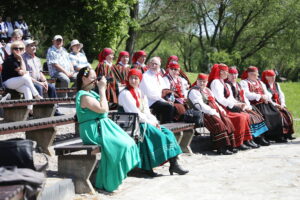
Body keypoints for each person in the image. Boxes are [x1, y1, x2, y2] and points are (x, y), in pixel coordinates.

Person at [75, 67, 140, 192]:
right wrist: (102, 89)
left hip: (102, 127)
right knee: (120, 146)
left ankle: (111, 178)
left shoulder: (91, 94)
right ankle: (108, 181)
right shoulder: (83, 96)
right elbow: (103, 109)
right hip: (93, 130)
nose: (96, 81)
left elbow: (105, 108)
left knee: (129, 143)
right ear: (84, 79)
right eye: (93, 78)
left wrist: (101, 90)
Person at [118, 69, 188, 176]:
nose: (133, 80)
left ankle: (174, 164)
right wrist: (150, 123)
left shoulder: (140, 92)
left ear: (139, 80)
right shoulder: (125, 94)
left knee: (168, 133)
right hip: (131, 124)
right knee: (157, 135)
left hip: (142, 122)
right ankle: (147, 166)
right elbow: (135, 113)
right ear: (128, 79)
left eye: (136, 78)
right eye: (131, 77)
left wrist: (155, 122)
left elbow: (146, 110)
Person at [188, 73, 237, 155]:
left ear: (207, 82)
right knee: (219, 124)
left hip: (215, 110)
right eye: (200, 81)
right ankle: (221, 148)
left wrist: (220, 110)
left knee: (228, 122)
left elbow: (214, 102)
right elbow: (200, 105)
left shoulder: (208, 90)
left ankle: (230, 146)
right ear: (197, 81)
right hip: (203, 113)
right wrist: (212, 112)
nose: (202, 83)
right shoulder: (194, 91)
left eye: (204, 82)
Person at [208, 64, 252, 150]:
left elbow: (230, 97)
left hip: (226, 106)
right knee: (241, 117)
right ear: (221, 72)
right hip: (220, 108)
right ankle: (237, 142)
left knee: (246, 115)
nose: (227, 73)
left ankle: (245, 140)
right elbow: (220, 99)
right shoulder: (215, 82)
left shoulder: (223, 82)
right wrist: (233, 105)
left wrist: (239, 103)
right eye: (226, 72)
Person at [240, 66, 286, 143]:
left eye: (256, 74)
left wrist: (266, 97)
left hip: (264, 103)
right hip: (254, 104)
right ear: (248, 74)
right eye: (253, 74)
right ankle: (265, 137)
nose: (256, 76)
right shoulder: (244, 82)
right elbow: (246, 94)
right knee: (265, 115)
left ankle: (276, 136)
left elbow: (268, 93)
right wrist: (259, 96)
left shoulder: (260, 82)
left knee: (276, 113)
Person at [226, 67, 268, 146]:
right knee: (250, 117)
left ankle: (259, 138)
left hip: (243, 105)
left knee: (258, 116)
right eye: (231, 74)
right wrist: (241, 105)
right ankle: (248, 139)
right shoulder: (227, 85)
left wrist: (248, 105)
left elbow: (244, 96)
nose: (233, 76)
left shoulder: (238, 84)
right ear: (228, 75)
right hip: (235, 106)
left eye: (235, 74)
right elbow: (231, 99)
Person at [22, 39, 63, 116]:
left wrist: (45, 81)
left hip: (38, 81)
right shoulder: (23, 58)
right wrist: (39, 83)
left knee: (52, 87)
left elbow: (40, 73)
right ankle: (39, 112)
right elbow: (25, 75)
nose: (34, 47)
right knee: (39, 87)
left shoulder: (37, 59)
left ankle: (55, 109)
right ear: (26, 47)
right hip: (28, 82)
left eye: (34, 45)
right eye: (31, 45)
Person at [1, 41, 42, 113]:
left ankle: (29, 110)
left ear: (23, 50)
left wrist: (21, 59)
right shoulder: (11, 59)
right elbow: (22, 73)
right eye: (16, 48)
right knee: (26, 77)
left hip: (16, 82)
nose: (18, 50)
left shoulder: (19, 59)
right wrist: (21, 61)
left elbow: (24, 71)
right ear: (12, 50)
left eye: (21, 48)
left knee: (27, 89)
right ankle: (36, 95)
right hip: (7, 82)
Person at [139, 57, 176, 124]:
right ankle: (166, 126)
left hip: (158, 100)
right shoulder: (145, 76)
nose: (153, 66)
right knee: (168, 107)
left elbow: (165, 90)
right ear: (149, 65)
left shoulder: (158, 76)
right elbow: (150, 94)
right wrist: (164, 101)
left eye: (156, 64)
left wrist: (168, 99)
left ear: (159, 66)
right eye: (152, 64)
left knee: (175, 106)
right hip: (150, 102)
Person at [261, 69, 295, 140]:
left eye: (274, 76)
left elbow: (281, 95)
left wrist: (282, 104)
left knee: (287, 114)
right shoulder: (264, 85)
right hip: (270, 105)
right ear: (266, 77)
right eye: (271, 76)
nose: (273, 78)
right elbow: (268, 98)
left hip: (279, 103)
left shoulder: (276, 84)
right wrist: (276, 105)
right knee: (279, 115)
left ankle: (288, 134)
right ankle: (279, 135)